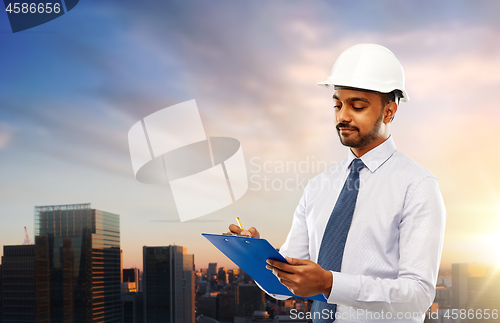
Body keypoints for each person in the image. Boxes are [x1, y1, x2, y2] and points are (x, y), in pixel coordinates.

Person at [229, 43, 446, 323]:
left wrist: (329, 284)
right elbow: (280, 290)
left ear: (390, 112)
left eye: (357, 106)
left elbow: (416, 298)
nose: (342, 116)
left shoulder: (417, 186)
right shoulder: (319, 186)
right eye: (337, 104)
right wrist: (259, 257)